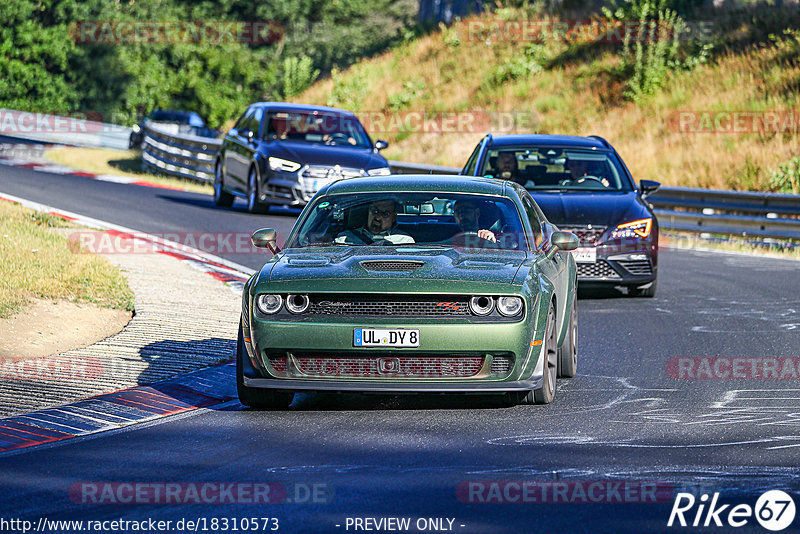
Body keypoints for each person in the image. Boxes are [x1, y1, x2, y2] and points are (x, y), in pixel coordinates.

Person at [335, 199, 414, 245]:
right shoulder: (345, 238)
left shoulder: (404, 240)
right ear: (368, 212)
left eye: (385, 214)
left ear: (393, 218)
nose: (378, 217)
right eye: (374, 211)